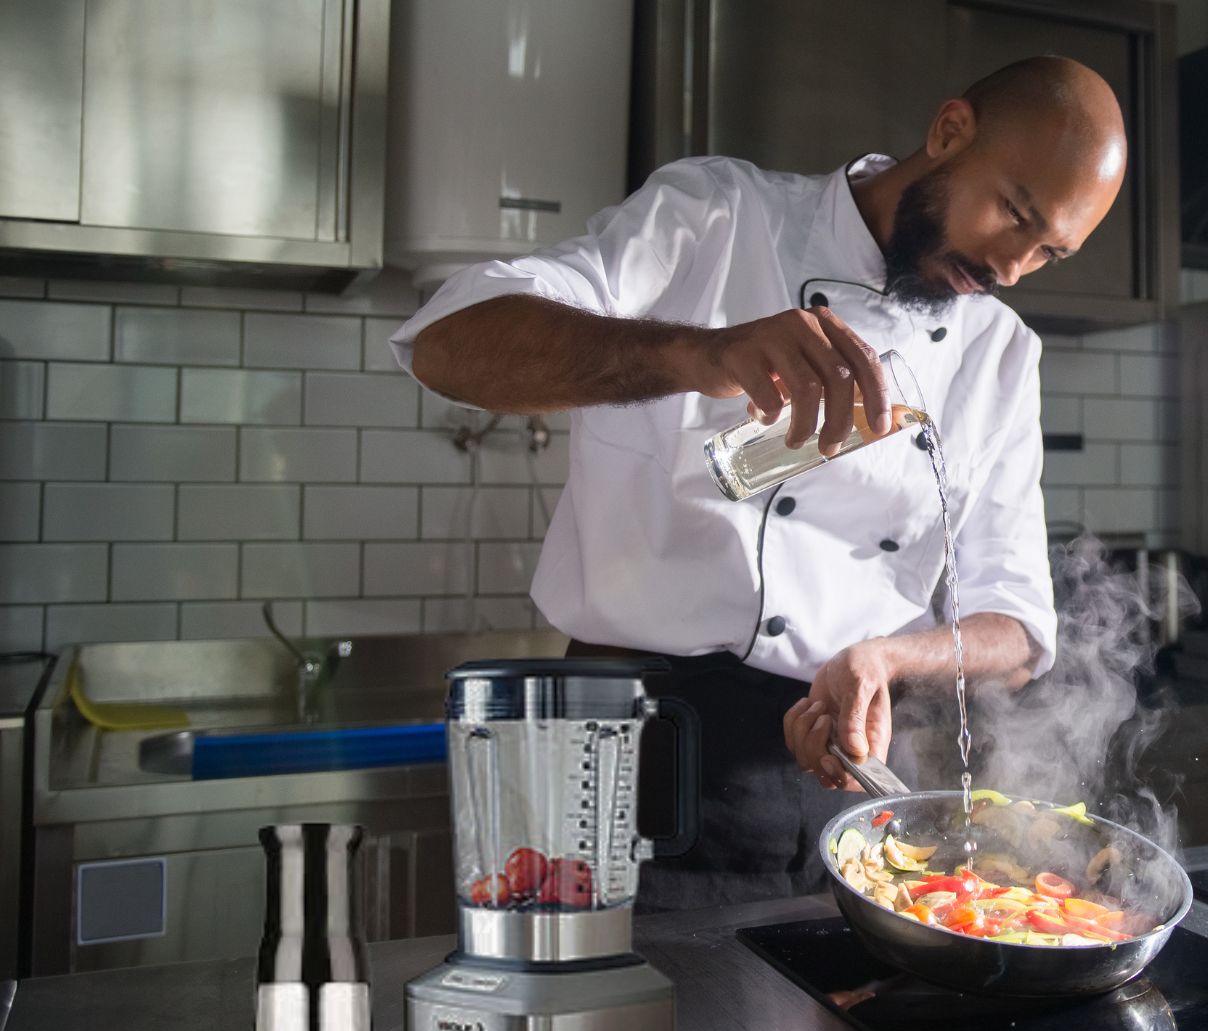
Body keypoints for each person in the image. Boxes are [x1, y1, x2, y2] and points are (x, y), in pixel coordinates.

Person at [391, 57, 1128, 910]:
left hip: (834, 779)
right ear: (949, 131)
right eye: (1014, 213)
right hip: (620, 746)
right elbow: (448, 343)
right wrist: (697, 353)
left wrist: (888, 657)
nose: (1011, 265)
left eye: (1050, 252)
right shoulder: (718, 217)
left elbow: (1017, 626)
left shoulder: (999, 354)